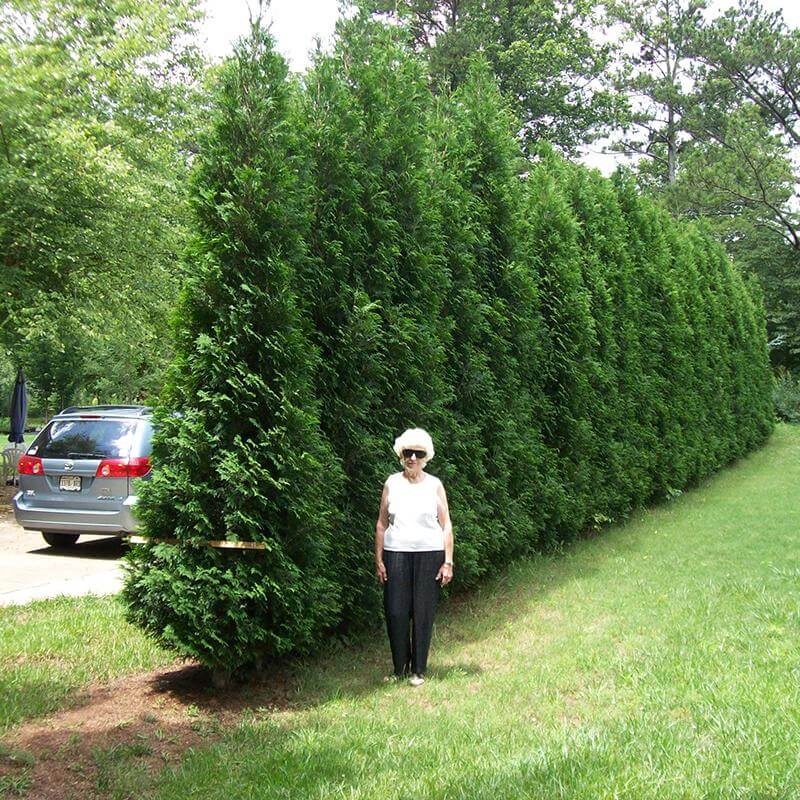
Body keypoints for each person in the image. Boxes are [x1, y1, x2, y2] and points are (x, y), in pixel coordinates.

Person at [375, 427, 454, 686]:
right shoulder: (391, 483)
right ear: (401, 454)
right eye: (408, 452)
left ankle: (418, 670)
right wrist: (379, 560)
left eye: (418, 454)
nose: (412, 458)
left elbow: (446, 525)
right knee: (396, 612)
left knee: (423, 612)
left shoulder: (434, 485)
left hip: (429, 555)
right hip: (395, 554)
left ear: (425, 457)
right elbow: (381, 524)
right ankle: (400, 669)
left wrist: (448, 562)